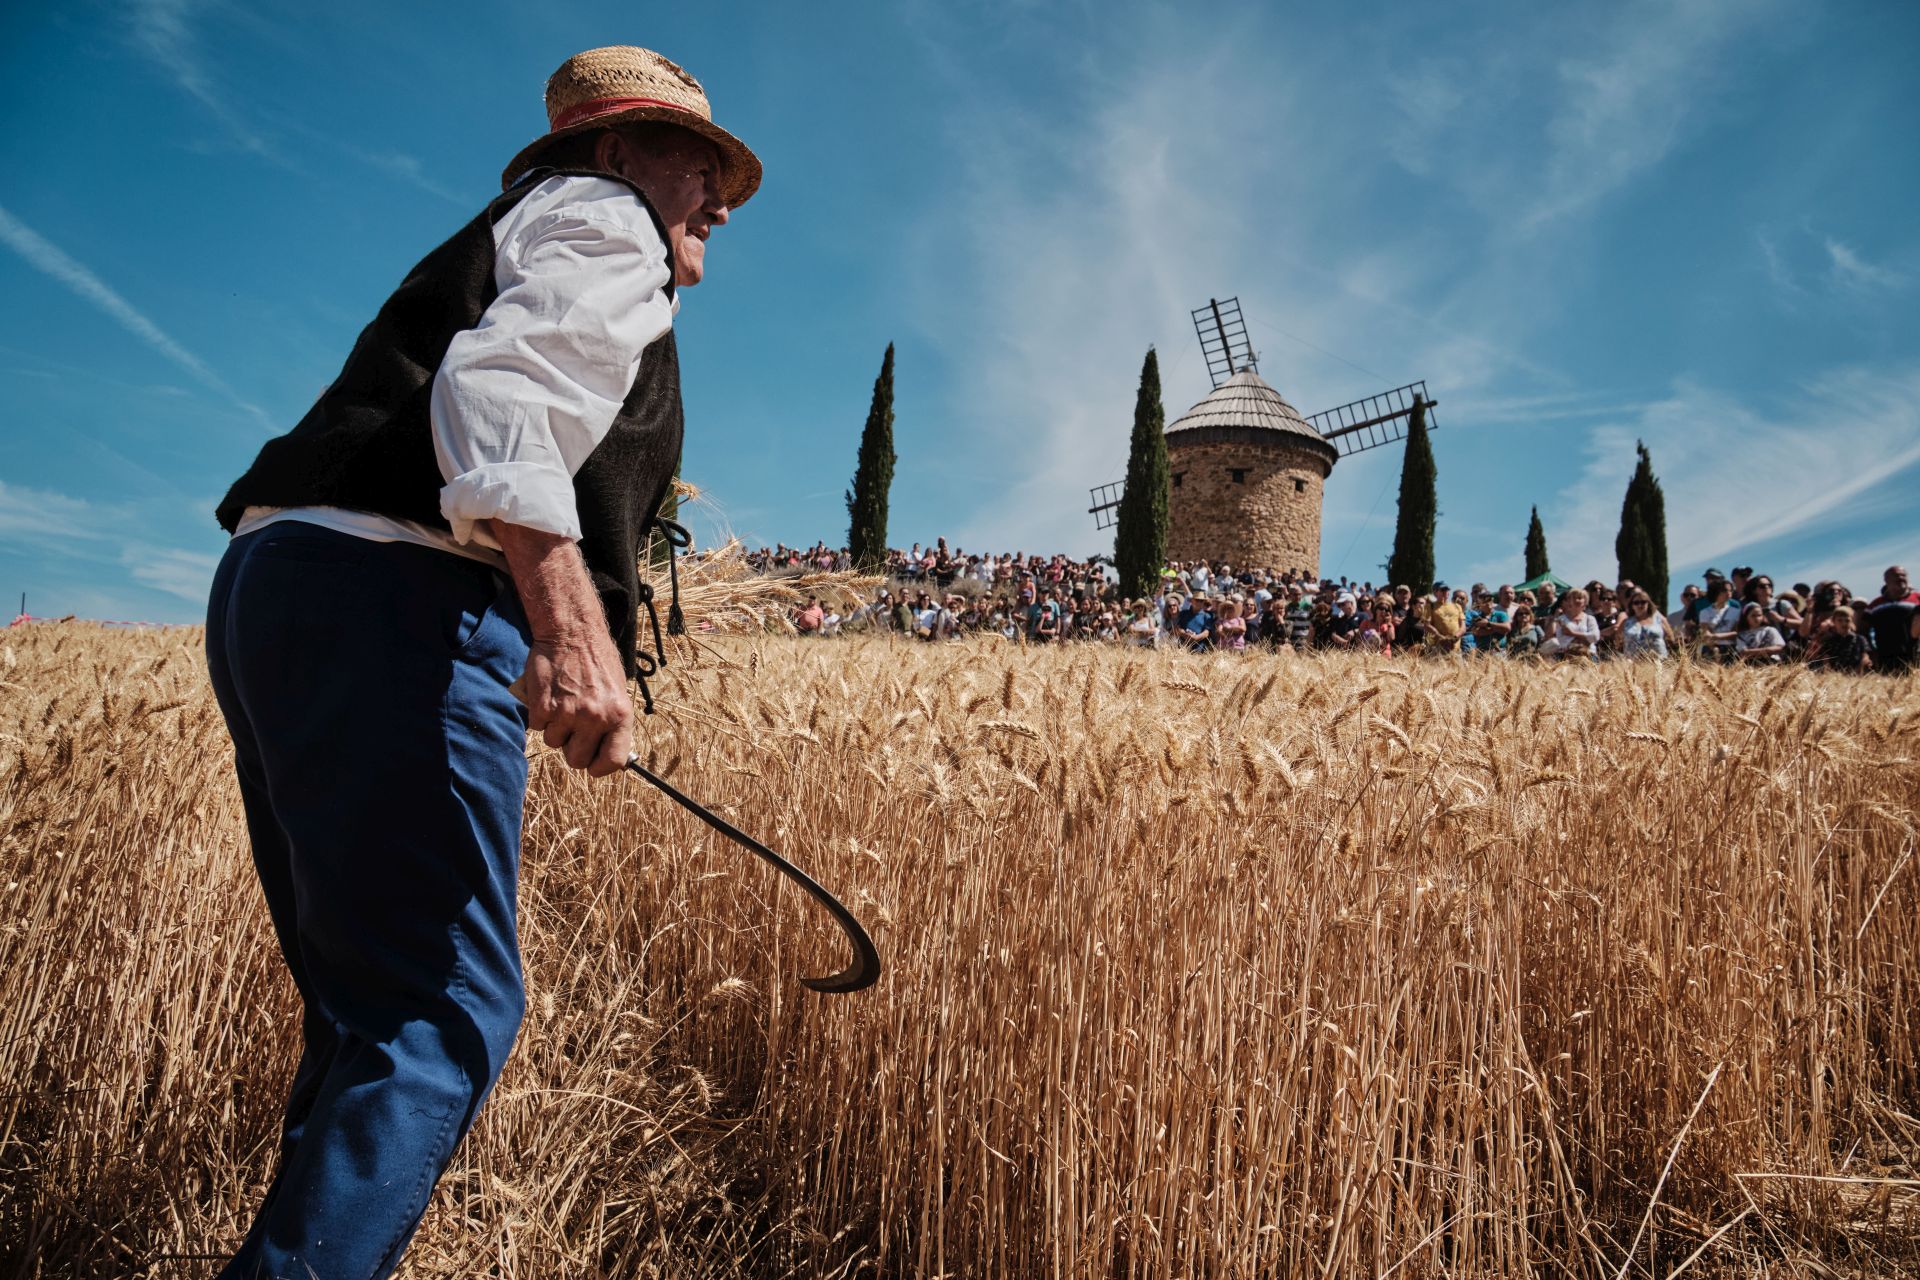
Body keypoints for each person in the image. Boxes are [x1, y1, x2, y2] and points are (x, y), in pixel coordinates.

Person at [203, 45, 755, 1280]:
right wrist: (567, 625)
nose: (716, 194)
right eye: (694, 160)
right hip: (397, 594)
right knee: (439, 1013)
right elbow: (500, 386)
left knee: (369, 1012)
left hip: (285, 580)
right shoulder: (607, 219)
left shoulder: (537, 221)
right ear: (614, 152)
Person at [1541, 588, 1600, 660]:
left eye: (1579, 598)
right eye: (1574, 598)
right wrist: (1584, 639)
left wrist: (1572, 633)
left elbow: (1595, 636)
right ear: (1569, 601)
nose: (1576, 600)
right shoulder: (1561, 619)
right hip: (1566, 655)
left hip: (1588, 654)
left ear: (1585, 601)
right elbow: (1561, 639)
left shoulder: (1590, 619)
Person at [1613, 590, 1673, 659]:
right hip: (1633, 663)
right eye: (1636, 603)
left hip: (1658, 661)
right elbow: (1617, 641)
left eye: (1643, 602)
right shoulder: (1626, 622)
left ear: (1648, 603)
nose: (1640, 605)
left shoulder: (1659, 619)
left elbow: (1670, 638)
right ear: (1632, 605)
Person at [1809, 607, 1871, 673]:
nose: (1844, 623)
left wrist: (1859, 670)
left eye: (1847, 620)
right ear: (1834, 622)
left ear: (1852, 621)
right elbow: (1825, 660)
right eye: (1840, 620)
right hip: (1833, 675)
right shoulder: (1829, 640)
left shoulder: (1860, 639)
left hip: (1855, 673)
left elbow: (1865, 657)